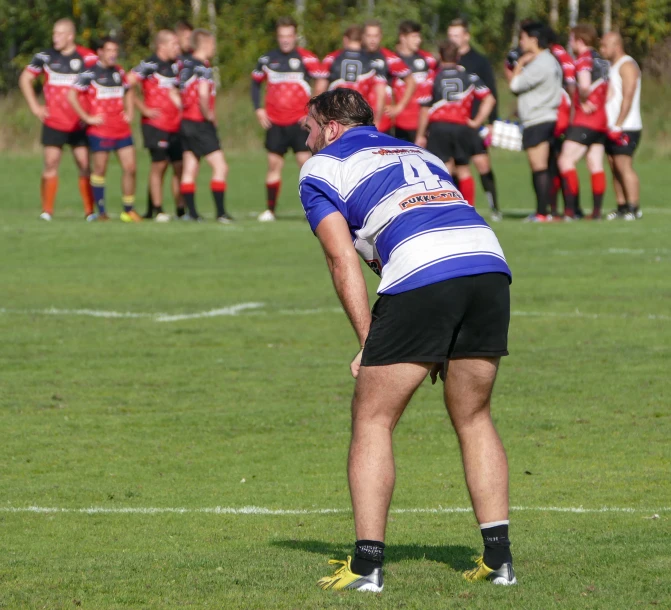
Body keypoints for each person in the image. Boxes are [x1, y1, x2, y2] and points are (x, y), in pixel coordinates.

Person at [299, 88, 515, 592]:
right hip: (488, 264)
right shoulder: (421, 152)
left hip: (424, 270)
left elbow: (340, 259)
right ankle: (498, 561)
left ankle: (367, 567)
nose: (304, 139)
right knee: (474, 414)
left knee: (373, 417)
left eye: (307, 127)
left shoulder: (322, 167)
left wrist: (368, 337)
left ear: (331, 127)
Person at [18, 18, 98, 221]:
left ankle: (90, 212)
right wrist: (36, 107)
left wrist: (90, 113)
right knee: (51, 162)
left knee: (84, 163)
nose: (55, 38)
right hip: (55, 120)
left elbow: (98, 84)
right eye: (54, 34)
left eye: (60, 34)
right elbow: (25, 79)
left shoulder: (87, 57)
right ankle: (47, 211)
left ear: (70, 36)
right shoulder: (44, 57)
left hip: (78, 122)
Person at [251, 16, 324, 222]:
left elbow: (320, 84)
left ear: (295, 36)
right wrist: (259, 109)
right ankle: (270, 211)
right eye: (282, 36)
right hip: (275, 122)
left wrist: (311, 112)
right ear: (278, 36)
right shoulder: (267, 59)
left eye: (289, 36)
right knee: (274, 166)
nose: (285, 40)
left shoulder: (306, 59)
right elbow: (255, 84)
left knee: (307, 165)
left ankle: (312, 210)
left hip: (299, 123)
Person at [415, 40, 496, 209]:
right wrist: (477, 121)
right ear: (458, 57)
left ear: (440, 56)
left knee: (444, 169)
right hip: (461, 127)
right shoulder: (469, 76)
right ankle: (469, 209)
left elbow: (424, 109)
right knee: (464, 169)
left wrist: (421, 134)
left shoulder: (432, 77)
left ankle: (447, 207)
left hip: (439, 127)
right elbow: (489, 98)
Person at [68, 37, 140, 222]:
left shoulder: (119, 72)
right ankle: (101, 212)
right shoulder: (89, 73)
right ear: (100, 52)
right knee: (100, 169)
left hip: (121, 129)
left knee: (130, 168)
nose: (113, 54)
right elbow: (71, 95)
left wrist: (130, 111)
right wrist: (87, 117)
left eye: (115, 50)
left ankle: (128, 210)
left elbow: (129, 89)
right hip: (100, 130)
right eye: (109, 50)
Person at [507, 22, 562, 222]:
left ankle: (541, 212)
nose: (521, 42)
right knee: (544, 166)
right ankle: (546, 211)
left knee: (538, 167)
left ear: (534, 39)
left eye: (523, 38)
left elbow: (515, 84)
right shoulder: (551, 60)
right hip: (546, 117)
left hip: (538, 119)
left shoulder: (540, 63)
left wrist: (520, 63)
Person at [448, 18, 501, 220]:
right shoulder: (446, 61)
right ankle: (458, 207)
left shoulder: (479, 61)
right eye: (450, 35)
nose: (453, 39)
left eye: (457, 35)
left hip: (474, 124)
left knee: (482, 164)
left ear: (466, 36)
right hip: (453, 125)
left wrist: (491, 122)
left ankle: (494, 207)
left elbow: (491, 92)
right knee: (455, 166)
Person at [128, 30, 184, 222]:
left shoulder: (177, 66)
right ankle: (158, 210)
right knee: (159, 165)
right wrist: (142, 108)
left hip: (175, 124)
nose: (178, 48)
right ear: (162, 46)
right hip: (155, 124)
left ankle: (181, 210)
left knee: (179, 166)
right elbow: (127, 82)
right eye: (174, 44)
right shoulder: (149, 65)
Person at [178, 28, 232, 223]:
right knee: (221, 167)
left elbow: (177, 93)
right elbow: (202, 94)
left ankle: (191, 213)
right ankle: (220, 213)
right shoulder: (203, 67)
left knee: (190, 167)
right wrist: (209, 115)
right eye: (213, 44)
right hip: (200, 123)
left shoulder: (184, 66)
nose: (214, 48)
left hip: (185, 122)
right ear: (206, 44)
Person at [557, 24, 609, 220]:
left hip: (586, 119)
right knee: (595, 163)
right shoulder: (602, 61)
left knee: (565, 160)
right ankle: (596, 213)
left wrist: (583, 100)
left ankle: (570, 211)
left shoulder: (584, 59)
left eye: (572, 39)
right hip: (601, 119)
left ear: (580, 40)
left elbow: (584, 85)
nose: (570, 43)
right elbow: (608, 90)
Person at [600, 32, 643, 221]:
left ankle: (634, 207)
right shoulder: (612, 66)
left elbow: (629, 94)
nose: (602, 50)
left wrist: (618, 123)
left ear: (616, 46)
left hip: (627, 126)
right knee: (613, 166)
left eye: (605, 46)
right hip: (610, 126)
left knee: (624, 166)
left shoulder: (627, 65)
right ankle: (622, 206)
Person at [317, 25, 387, 128]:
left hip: (335, 115)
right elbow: (380, 94)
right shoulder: (372, 61)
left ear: (345, 39)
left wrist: (318, 116)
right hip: (360, 117)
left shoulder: (332, 58)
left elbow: (319, 88)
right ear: (362, 39)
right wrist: (377, 121)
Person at [361, 20, 416, 135]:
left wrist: (399, 107)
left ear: (380, 37)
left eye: (376, 36)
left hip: (382, 121)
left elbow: (411, 81)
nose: (372, 40)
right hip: (357, 116)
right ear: (363, 37)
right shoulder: (356, 56)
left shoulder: (389, 58)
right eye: (369, 36)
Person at [391, 20, 436, 143]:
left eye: (419, 36)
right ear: (403, 38)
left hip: (424, 122)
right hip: (399, 123)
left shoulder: (428, 60)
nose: (418, 40)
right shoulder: (392, 61)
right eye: (414, 36)